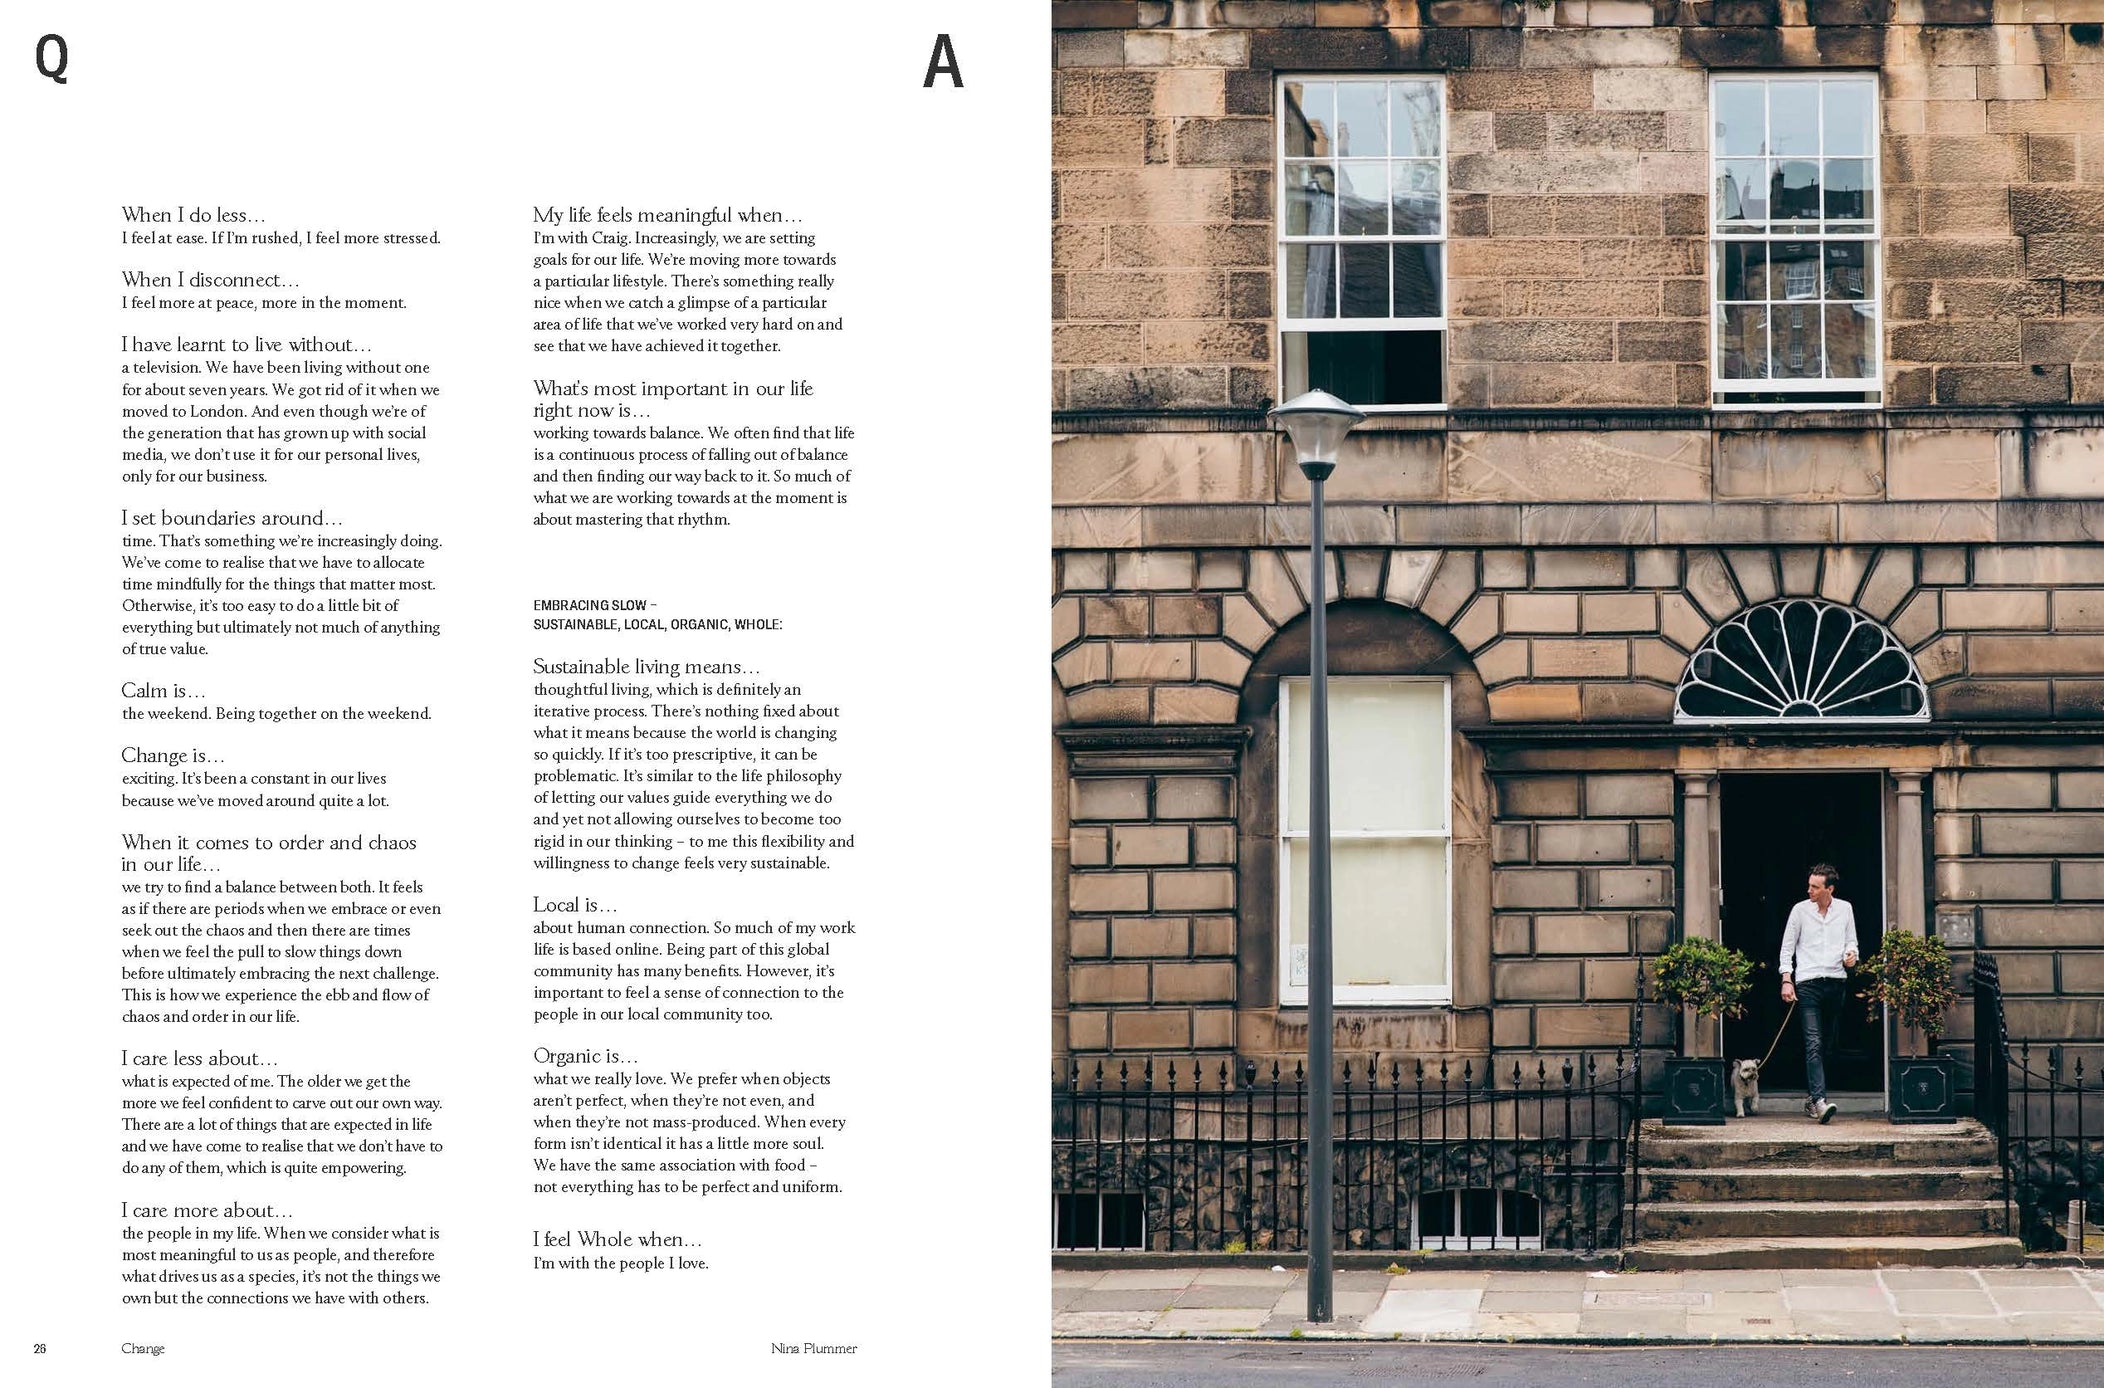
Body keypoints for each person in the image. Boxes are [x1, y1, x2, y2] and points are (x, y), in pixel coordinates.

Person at [1778, 863, 1859, 1124]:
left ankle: (1812, 1097)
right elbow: (1787, 947)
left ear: (1829, 889)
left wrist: (1851, 956)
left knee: (1829, 1045)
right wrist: (1786, 979)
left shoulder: (1845, 908)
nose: (1809, 890)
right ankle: (1820, 1101)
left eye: (1815, 886)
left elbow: (1852, 941)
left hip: (1836, 982)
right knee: (1813, 1042)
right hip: (1808, 983)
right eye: (1809, 885)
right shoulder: (1799, 911)